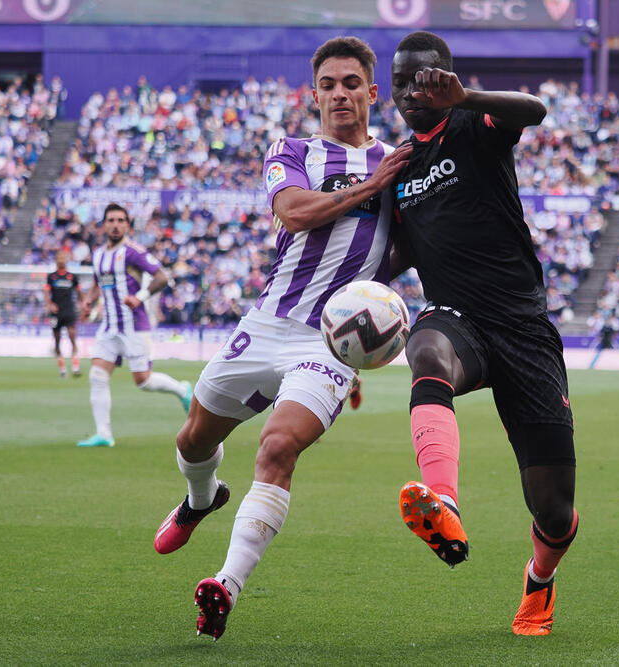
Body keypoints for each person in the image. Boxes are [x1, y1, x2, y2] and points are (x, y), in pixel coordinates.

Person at [151, 36, 412, 641]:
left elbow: (412, 243)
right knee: (193, 440)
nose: (340, 94)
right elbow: (294, 213)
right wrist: (369, 192)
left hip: (329, 342)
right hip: (266, 324)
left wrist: (375, 303)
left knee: (277, 449)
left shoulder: (398, 162)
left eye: (352, 83)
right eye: (329, 85)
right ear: (315, 93)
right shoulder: (292, 150)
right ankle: (200, 500)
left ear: (372, 93)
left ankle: (226, 585)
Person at [390, 31, 577, 636]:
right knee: (426, 350)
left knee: (553, 509)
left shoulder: (477, 127)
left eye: (421, 80)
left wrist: (465, 98)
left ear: (444, 79)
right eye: (400, 84)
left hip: (523, 327)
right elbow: (392, 256)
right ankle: (442, 500)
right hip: (456, 317)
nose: (410, 93)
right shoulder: (396, 167)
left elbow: (534, 110)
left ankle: (539, 582)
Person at [76, 204, 193, 447]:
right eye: (111, 220)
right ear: (104, 225)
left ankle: (182, 390)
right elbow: (99, 283)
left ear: (127, 225)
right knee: (97, 375)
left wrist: (139, 297)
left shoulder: (133, 252)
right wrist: (89, 300)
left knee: (143, 380)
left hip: (134, 325)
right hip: (109, 326)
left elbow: (162, 276)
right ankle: (104, 435)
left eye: (121, 220)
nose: (116, 224)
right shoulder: (98, 255)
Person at [44, 249, 84, 378]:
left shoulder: (72, 277)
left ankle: (75, 367)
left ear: (66, 260)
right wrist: (50, 304)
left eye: (63, 258)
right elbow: (46, 292)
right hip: (56, 313)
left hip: (69, 311)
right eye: (59, 258)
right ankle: (62, 369)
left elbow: (79, 292)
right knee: (57, 340)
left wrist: (82, 304)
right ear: (56, 260)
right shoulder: (51, 277)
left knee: (73, 337)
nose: (61, 260)